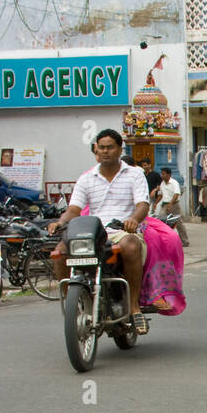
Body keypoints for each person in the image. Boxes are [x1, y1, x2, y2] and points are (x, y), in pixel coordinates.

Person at [49, 128, 150, 333]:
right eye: (101, 148)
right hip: (94, 232)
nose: (105, 151)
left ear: (120, 149)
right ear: (96, 150)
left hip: (121, 230)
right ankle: (74, 304)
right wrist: (60, 223)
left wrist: (133, 219)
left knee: (131, 246)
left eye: (110, 147)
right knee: (60, 252)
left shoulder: (135, 174)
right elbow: (74, 209)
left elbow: (142, 204)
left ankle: (133, 306)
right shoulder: (87, 178)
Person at [156, 167, 189, 246]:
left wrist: (170, 204)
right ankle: (163, 240)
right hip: (164, 205)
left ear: (168, 174)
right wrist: (155, 203)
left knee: (178, 223)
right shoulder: (162, 184)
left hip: (174, 205)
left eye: (163, 174)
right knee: (161, 221)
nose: (162, 176)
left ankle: (184, 241)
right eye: (161, 174)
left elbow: (176, 193)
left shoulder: (174, 183)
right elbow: (161, 194)